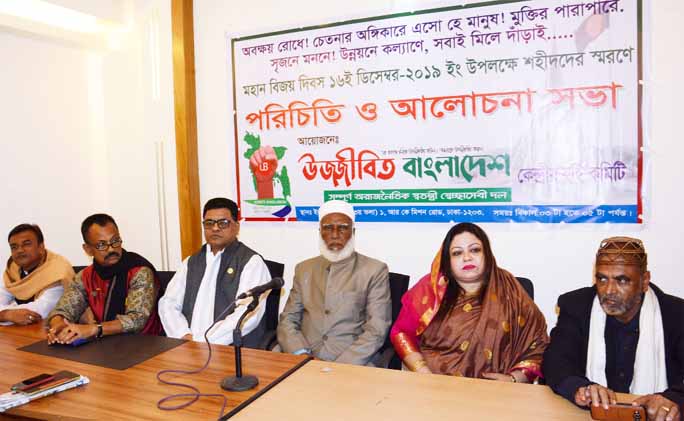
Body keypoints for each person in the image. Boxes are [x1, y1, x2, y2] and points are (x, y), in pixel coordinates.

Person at [544, 237, 683, 421]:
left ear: (644, 281)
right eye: (602, 278)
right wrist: (581, 388)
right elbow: (555, 361)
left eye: (622, 280)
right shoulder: (576, 306)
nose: (609, 290)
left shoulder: (676, 315)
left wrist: (673, 399)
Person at [390, 222, 548, 382]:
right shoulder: (431, 289)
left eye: (475, 250)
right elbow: (401, 333)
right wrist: (423, 372)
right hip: (432, 385)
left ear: (487, 253)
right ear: (447, 260)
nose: (467, 257)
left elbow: (537, 343)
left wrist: (514, 379)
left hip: (494, 392)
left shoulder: (510, 290)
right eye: (457, 253)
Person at [277, 200, 391, 366]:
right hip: (303, 355)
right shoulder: (304, 269)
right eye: (328, 228)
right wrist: (300, 352)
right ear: (320, 232)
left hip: (352, 359)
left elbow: (376, 329)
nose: (335, 234)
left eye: (343, 227)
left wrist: (341, 364)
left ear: (353, 232)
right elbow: (288, 319)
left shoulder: (374, 270)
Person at [158, 198, 271, 346]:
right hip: (187, 346)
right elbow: (168, 303)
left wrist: (204, 341)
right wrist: (183, 335)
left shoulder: (251, 262)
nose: (215, 228)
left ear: (236, 227)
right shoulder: (191, 263)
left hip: (231, 349)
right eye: (209, 223)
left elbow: (248, 314)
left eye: (223, 223)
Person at [46, 214, 162, 344]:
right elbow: (62, 309)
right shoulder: (85, 276)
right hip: (105, 345)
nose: (112, 249)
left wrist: (94, 329)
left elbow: (136, 320)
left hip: (145, 346)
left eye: (115, 241)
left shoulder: (139, 271)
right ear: (88, 249)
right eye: (102, 245)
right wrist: (59, 325)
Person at [1, 224, 74, 326]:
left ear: (41, 247)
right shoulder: (13, 269)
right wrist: (6, 315)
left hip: (50, 334)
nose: (20, 250)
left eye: (26, 244)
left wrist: (6, 314)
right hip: (21, 333)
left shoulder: (57, 269)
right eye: (14, 247)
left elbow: (41, 310)